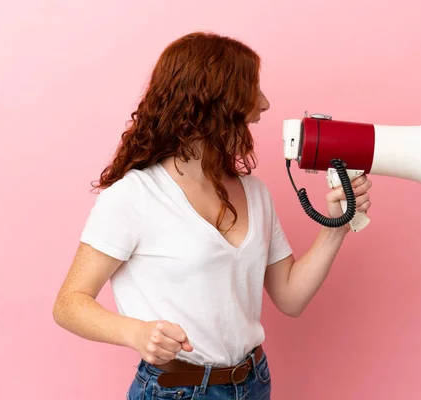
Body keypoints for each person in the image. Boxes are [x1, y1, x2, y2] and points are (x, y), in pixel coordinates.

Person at [52, 31, 372, 400]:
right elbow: (69, 303)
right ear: (210, 104)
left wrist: (337, 224)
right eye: (250, 88)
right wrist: (135, 333)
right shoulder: (136, 195)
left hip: (253, 383)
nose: (264, 104)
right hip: (175, 391)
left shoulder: (256, 193)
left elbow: (290, 298)